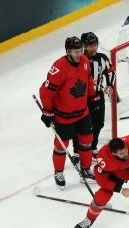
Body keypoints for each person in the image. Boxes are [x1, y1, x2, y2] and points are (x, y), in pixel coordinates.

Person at [39, 36, 96, 189]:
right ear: (68, 52)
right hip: (64, 116)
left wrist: (93, 95)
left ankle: (85, 169)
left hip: (83, 112)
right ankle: (59, 172)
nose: (79, 54)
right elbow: (45, 92)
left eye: (80, 50)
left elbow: (89, 80)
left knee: (86, 141)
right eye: (75, 51)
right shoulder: (59, 68)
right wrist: (47, 112)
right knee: (61, 146)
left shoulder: (84, 61)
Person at [72, 32, 115, 164]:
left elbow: (110, 71)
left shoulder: (102, 58)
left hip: (97, 97)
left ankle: (93, 146)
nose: (93, 48)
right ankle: (77, 151)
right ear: (83, 46)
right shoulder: (77, 61)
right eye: (89, 45)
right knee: (79, 126)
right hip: (80, 100)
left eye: (95, 45)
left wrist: (109, 85)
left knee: (98, 124)